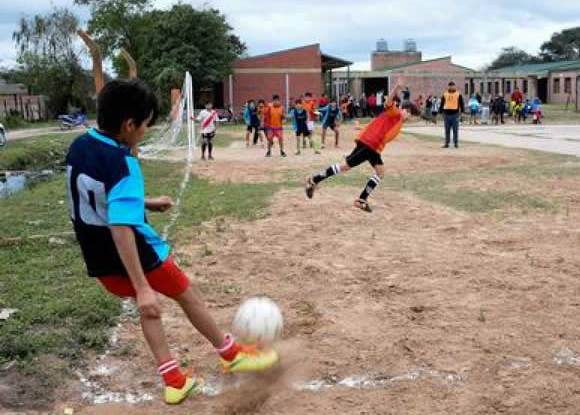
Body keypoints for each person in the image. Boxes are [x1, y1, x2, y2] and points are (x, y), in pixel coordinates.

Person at [64, 80, 279, 405]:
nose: (147, 132)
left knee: (149, 313)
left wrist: (144, 203)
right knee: (186, 294)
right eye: (146, 125)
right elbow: (121, 226)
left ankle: (174, 380)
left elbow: (98, 197)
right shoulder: (125, 164)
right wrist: (141, 286)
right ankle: (230, 353)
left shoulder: (79, 146)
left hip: (97, 259)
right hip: (133, 254)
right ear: (129, 124)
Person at [305, 85, 418, 213]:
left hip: (372, 147)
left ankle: (360, 199)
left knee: (377, 172)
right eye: (409, 113)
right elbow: (388, 102)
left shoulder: (399, 121)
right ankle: (313, 180)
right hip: (370, 144)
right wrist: (396, 88)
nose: (408, 116)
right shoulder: (395, 113)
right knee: (345, 166)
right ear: (405, 110)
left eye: (410, 115)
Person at [440, 81, 465, 148]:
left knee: (455, 129)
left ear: (454, 86)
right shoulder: (445, 94)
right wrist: (440, 112)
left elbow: (461, 104)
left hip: (455, 114)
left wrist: (462, 112)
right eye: (450, 86)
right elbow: (442, 103)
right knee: (447, 130)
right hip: (446, 114)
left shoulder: (458, 94)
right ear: (448, 86)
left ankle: (456, 143)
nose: (451, 87)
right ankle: (446, 143)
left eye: (452, 86)